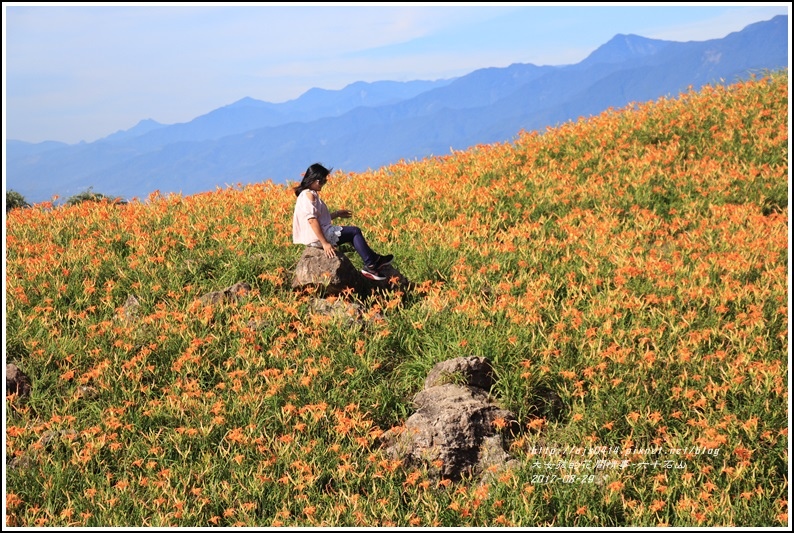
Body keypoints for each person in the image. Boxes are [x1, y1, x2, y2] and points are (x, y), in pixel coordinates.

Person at [292, 163, 393, 281]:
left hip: (317, 236)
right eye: (323, 181)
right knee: (354, 232)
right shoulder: (309, 195)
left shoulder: (306, 194)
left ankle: (375, 260)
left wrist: (337, 214)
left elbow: (319, 218)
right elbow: (312, 221)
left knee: (351, 234)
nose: (323, 184)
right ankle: (371, 265)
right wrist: (325, 243)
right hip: (319, 237)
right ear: (315, 180)